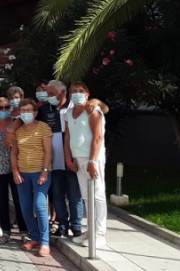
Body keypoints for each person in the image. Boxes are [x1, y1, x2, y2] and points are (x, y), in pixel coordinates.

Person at [65, 82, 108, 248]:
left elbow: (97, 137)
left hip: (93, 159)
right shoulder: (69, 113)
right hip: (78, 158)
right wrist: (69, 159)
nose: (77, 93)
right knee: (86, 196)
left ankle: (100, 233)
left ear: (87, 94)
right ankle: (90, 230)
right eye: (74, 91)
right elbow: (67, 137)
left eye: (80, 91)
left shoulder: (92, 111)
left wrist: (92, 161)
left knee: (97, 195)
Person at [11, 99, 53, 257]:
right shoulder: (18, 130)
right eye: (23, 110)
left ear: (35, 112)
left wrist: (44, 171)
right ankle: (34, 237)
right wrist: (15, 171)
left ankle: (45, 242)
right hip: (22, 173)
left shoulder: (43, 128)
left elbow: (48, 151)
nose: (26, 113)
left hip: (40, 173)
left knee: (40, 206)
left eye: (29, 110)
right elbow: (14, 152)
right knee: (25, 208)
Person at [42, 80, 83, 238]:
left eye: (52, 94)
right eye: (48, 94)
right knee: (57, 196)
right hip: (53, 162)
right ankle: (62, 225)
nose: (49, 97)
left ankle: (77, 226)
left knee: (74, 195)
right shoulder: (45, 110)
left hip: (72, 160)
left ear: (63, 93)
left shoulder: (75, 108)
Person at [0, 96, 25, 244]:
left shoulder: (17, 123)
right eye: (0, 108)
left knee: (18, 200)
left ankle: (23, 231)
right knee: (1, 201)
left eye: (6, 107)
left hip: (15, 167)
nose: (4, 110)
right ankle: (6, 232)